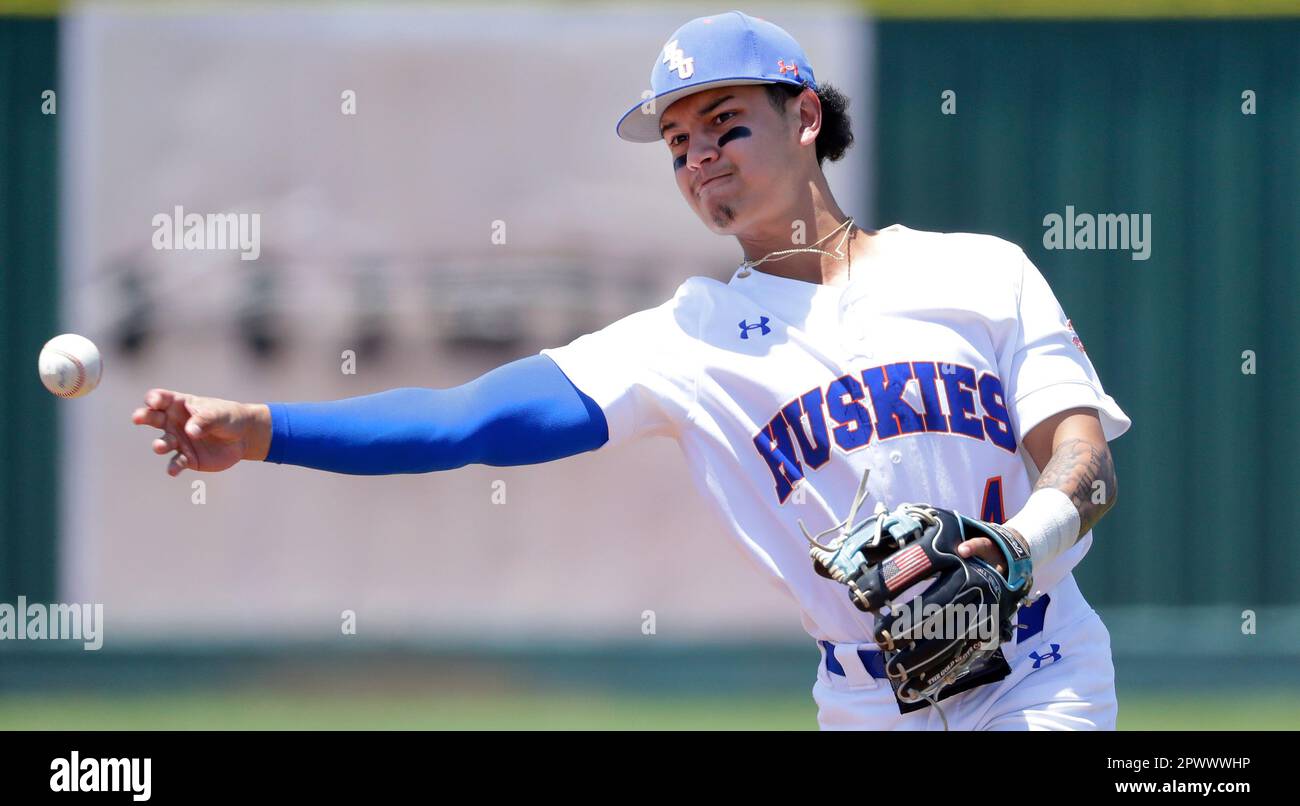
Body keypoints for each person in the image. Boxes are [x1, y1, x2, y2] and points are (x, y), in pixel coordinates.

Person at [132, 10, 1129, 730]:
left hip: (1040, 669)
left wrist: (1008, 550)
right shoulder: (685, 338)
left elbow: (1083, 463)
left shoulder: (977, 270)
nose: (701, 159)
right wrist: (267, 430)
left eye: (725, 124)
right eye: (680, 146)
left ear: (805, 119)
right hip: (868, 696)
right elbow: (465, 419)